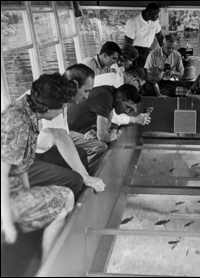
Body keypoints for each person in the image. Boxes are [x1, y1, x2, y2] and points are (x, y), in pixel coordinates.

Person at [1, 73, 76, 262]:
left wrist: (28, 192)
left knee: (66, 200)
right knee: (64, 205)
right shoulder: (18, 123)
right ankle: (48, 267)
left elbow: (21, 165)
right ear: (48, 107)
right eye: (63, 106)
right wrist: (7, 222)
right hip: (7, 197)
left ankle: (48, 261)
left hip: (16, 189)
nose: (64, 109)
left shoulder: (26, 112)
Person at [29, 64, 106, 200]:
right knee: (75, 179)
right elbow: (61, 137)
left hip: (42, 150)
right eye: (86, 91)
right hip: (26, 158)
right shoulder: (52, 98)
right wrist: (84, 177)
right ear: (75, 85)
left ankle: (83, 196)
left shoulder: (61, 100)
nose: (87, 97)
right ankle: (74, 215)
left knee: (81, 154)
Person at [67, 84, 145, 144]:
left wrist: (109, 129)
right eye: (127, 106)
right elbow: (102, 137)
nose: (127, 112)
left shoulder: (110, 93)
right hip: (66, 130)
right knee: (100, 146)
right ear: (119, 98)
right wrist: (114, 137)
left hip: (76, 128)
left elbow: (110, 123)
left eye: (130, 109)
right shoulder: (106, 98)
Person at [125, 2, 164, 68]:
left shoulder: (155, 21)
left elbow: (160, 37)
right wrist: (128, 60)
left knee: (148, 74)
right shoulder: (133, 22)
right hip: (135, 53)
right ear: (149, 13)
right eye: (156, 14)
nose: (157, 17)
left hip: (147, 52)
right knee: (137, 74)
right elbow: (128, 44)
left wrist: (165, 51)